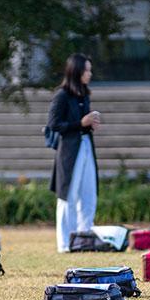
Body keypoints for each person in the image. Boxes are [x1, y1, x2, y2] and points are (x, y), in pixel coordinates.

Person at [47, 53, 101, 252]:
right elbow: (54, 124)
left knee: (89, 194)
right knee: (68, 195)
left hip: (85, 145)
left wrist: (90, 124)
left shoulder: (83, 94)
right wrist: (81, 123)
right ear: (76, 71)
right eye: (86, 70)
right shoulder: (62, 95)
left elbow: (81, 124)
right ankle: (65, 243)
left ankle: (83, 238)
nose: (90, 73)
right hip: (69, 151)